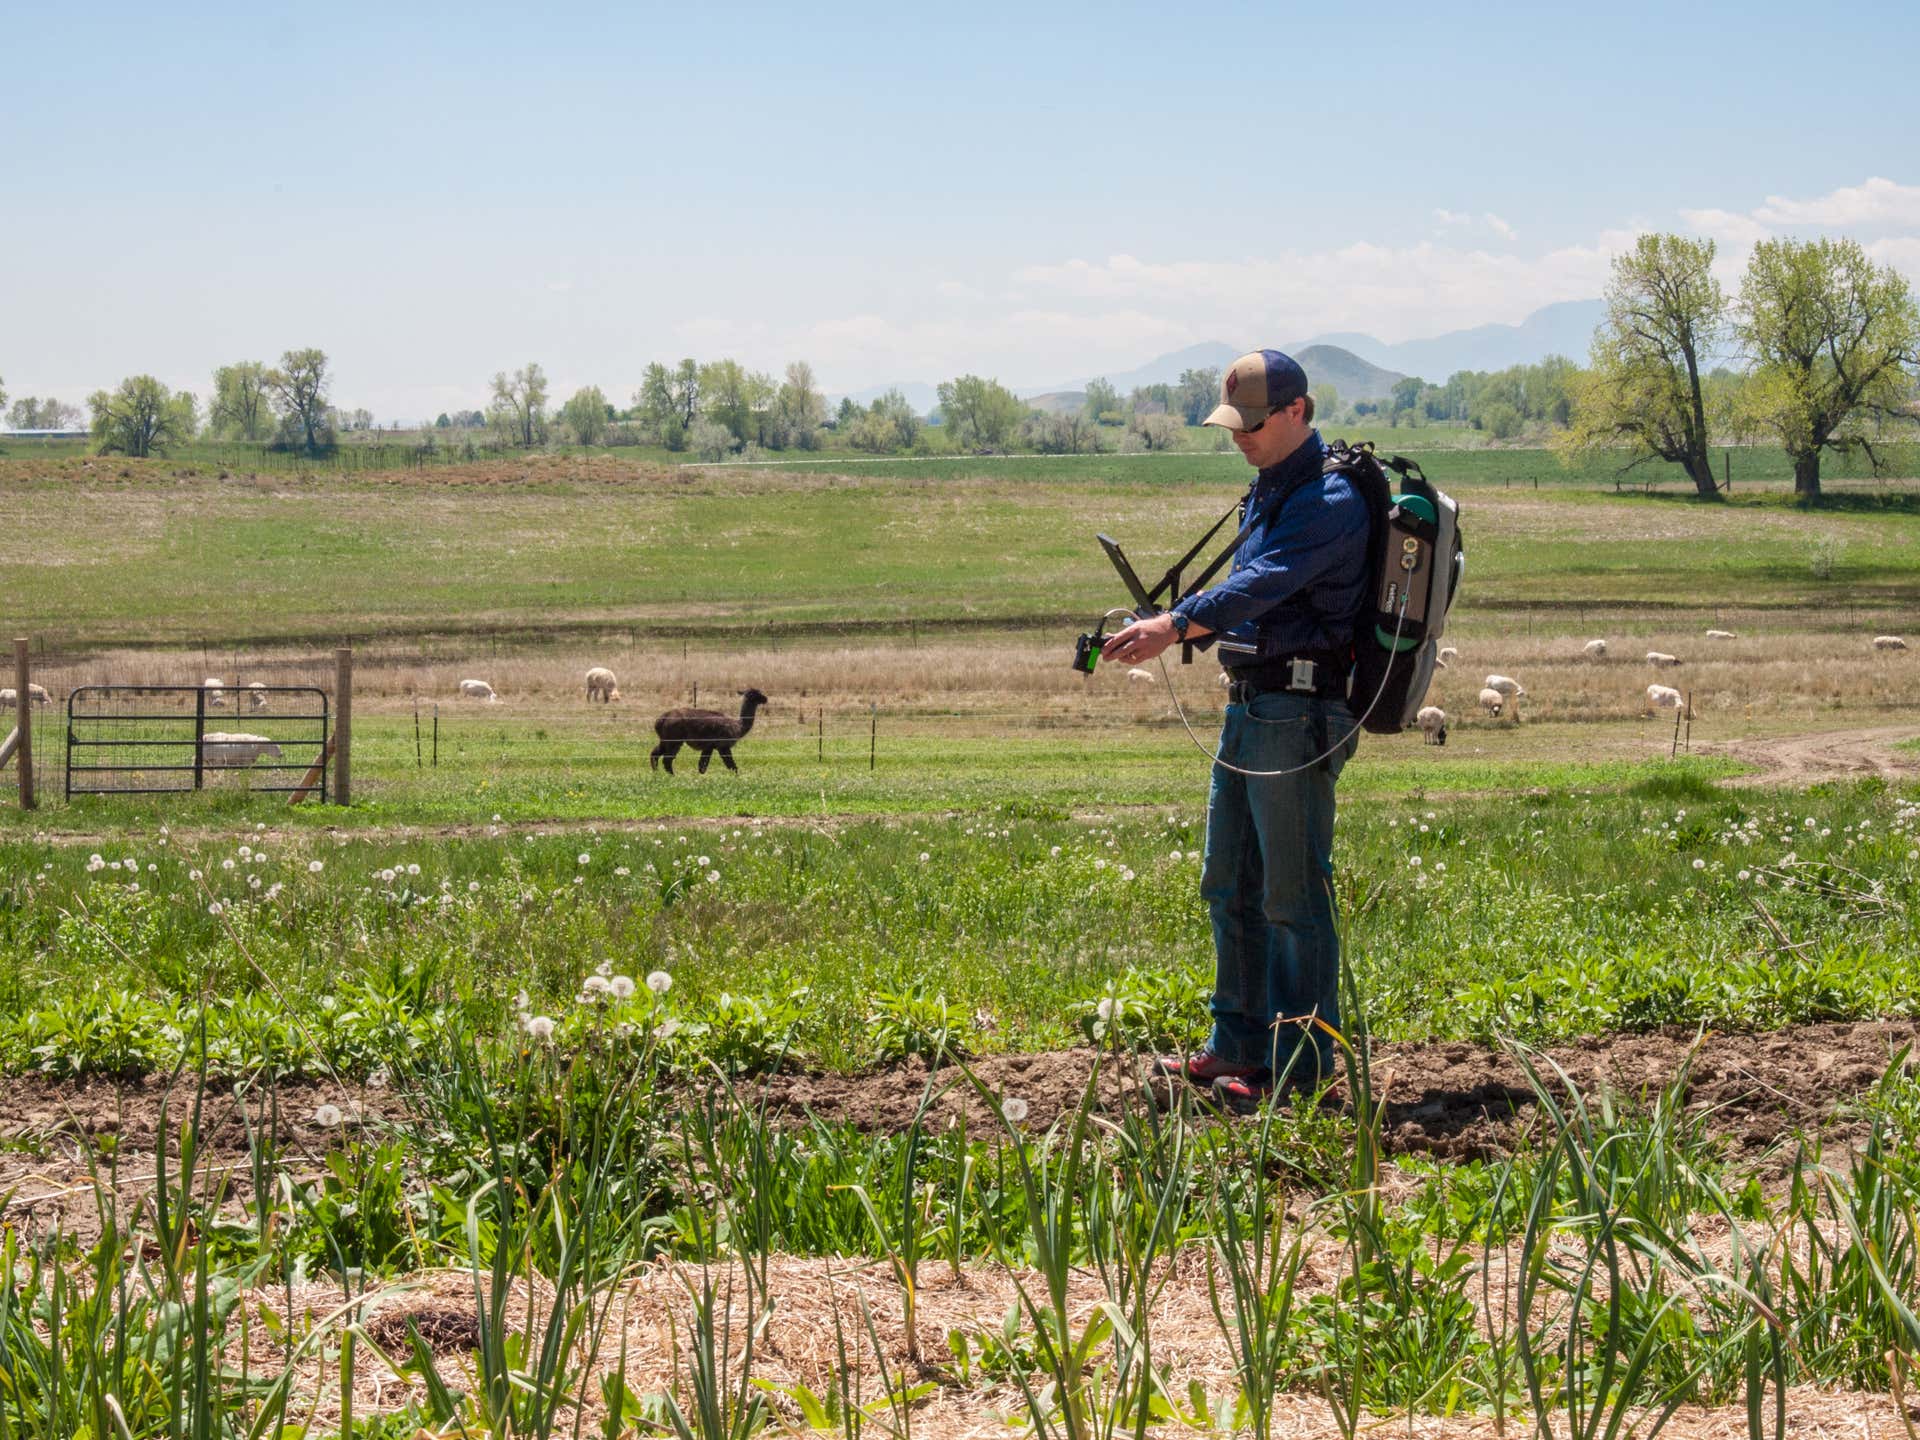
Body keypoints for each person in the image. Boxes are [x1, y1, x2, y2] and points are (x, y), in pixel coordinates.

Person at [1100, 350, 1371, 1112]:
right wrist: (1171, 620)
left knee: (1290, 896)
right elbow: (1241, 586)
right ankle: (1240, 1044)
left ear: (1298, 413)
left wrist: (1178, 623)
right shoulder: (1269, 488)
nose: (1240, 437)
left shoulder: (1330, 498)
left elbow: (1265, 581)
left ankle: (1302, 1068)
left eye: (1252, 425)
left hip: (1299, 710)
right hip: (1251, 705)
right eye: (1232, 426)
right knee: (1229, 885)